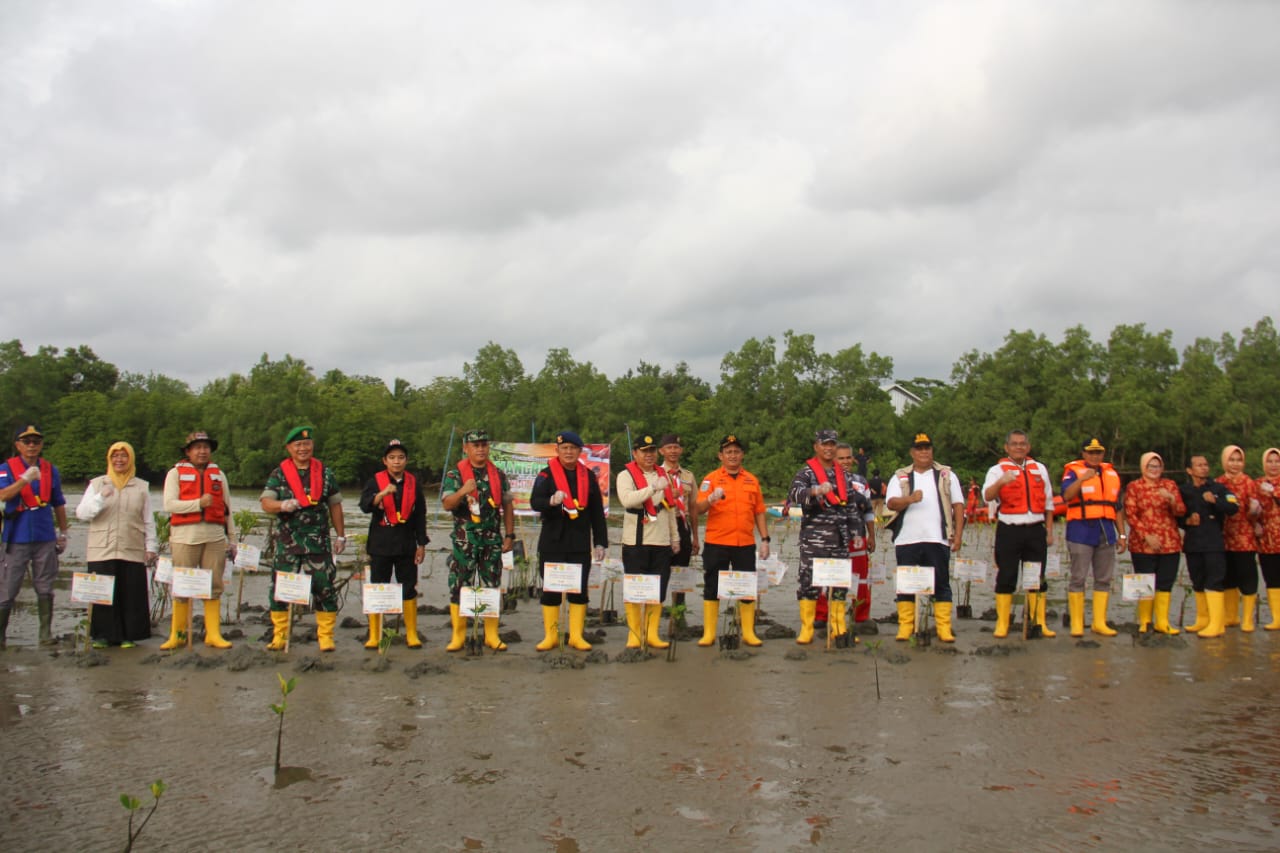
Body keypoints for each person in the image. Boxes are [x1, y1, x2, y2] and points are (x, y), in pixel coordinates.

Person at [260, 426, 346, 652]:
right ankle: (279, 635)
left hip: (319, 543)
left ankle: (326, 636)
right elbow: (266, 502)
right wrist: (281, 505)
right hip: (287, 542)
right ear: (289, 448)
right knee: (280, 587)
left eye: (307, 444)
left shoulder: (325, 473)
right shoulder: (279, 474)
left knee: (324, 587)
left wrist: (341, 536)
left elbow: (336, 505)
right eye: (297, 445)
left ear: (312, 446)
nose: (303, 448)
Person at [788, 430, 873, 645]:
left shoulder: (842, 475)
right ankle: (807, 628)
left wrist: (856, 534)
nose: (828, 448)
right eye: (824, 444)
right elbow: (794, 495)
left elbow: (852, 506)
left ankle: (838, 626)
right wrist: (815, 491)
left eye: (832, 444)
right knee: (808, 582)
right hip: (814, 538)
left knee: (839, 582)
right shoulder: (806, 473)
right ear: (816, 446)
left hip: (840, 538)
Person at [528, 431, 607, 651]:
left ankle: (575, 636)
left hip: (580, 542)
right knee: (551, 589)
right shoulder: (546, 475)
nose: (569, 452)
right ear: (558, 450)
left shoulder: (589, 476)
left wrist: (600, 542)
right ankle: (550, 636)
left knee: (579, 590)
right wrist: (550, 501)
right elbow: (535, 502)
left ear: (580, 451)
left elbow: (597, 513)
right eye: (564, 448)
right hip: (553, 540)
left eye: (573, 448)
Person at [883, 433, 965, 642]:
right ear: (912, 452)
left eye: (927, 448)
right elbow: (891, 503)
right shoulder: (900, 476)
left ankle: (943, 627)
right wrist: (910, 499)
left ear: (932, 450)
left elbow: (958, 506)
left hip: (938, 538)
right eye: (919, 448)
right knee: (906, 584)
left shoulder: (946, 475)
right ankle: (905, 626)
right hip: (906, 539)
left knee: (941, 583)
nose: (924, 452)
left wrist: (958, 536)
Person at [74, 441, 157, 648]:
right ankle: (102, 636)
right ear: (109, 459)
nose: (119, 460)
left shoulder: (141, 487)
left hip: (131, 547)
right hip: (102, 548)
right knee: (103, 593)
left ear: (131, 459)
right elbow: (82, 514)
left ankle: (129, 636)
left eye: (124, 456)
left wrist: (151, 547)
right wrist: (101, 497)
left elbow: (148, 519)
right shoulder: (97, 484)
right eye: (115, 456)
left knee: (130, 593)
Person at [441, 429, 515, 652]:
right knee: (459, 586)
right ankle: (458, 636)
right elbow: (447, 504)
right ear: (466, 448)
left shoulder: (499, 474)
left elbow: (508, 505)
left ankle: (491, 634)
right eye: (475, 445)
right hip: (465, 541)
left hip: (491, 540)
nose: (480, 449)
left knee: (491, 585)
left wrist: (510, 535)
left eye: (484, 444)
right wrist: (463, 490)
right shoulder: (455, 475)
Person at [694, 434, 770, 647]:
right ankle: (709, 633)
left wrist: (765, 539)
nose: (733, 455)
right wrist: (710, 499)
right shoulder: (711, 479)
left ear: (742, 454)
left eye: (736, 451)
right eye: (728, 452)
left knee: (746, 587)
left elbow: (760, 512)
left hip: (744, 543)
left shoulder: (751, 480)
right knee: (712, 585)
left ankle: (748, 632)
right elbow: (698, 509)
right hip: (717, 541)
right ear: (721, 456)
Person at [163, 431, 236, 650]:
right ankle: (178, 634)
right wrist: (198, 504)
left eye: (206, 447)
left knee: (214, 585)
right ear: (188, 452)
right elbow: (169, 505)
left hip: (214, 537)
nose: (202, 451)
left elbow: (227, 509)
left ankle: (213, 634)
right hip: (184, 537)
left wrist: (232, 539)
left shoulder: (219, 475)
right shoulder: (174, 474)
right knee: (182, 584)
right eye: (197, 447)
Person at [982, 430, 1055, 639]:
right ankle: (1003, 623)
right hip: (1009, 529)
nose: (1019, 447)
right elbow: (987, 495)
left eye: (1023, 444)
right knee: (1006, 575)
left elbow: (1049, 504)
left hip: (1035, 529)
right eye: (1014, 444)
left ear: (1028, 447)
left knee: (1037, 578)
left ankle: (1038, 622)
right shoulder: (996, 470)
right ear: (1007, 448)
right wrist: (1001, 482)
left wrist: (1049, 531)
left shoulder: (1040, 468)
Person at [0, 425, 69, 647]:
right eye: (27, 441)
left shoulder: (51, 470)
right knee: (8, 587)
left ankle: (45, 635)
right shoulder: (5, 468)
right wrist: (24, 480)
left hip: (44, 535)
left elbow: (58, 503)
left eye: (36, 441)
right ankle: (0, 637)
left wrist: (64, 532)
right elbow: (3, 494)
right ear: (18, 445)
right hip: (16, 535)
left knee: (45, 585)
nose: (32, 446)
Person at [358, 438, 428, 649]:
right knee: (378, 586)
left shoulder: (413, 482)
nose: (396, 462)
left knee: (408, 587)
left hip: (406, 542)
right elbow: (364, 506)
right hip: (381, 542)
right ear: (385, 461)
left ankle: (412, 633)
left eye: (400, 458)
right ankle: (374, 634)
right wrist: (382, 494)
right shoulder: (375, 481)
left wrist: (421, 543)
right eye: (392, 458)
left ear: (406, 460)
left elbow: (420, 514)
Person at [616, 433, 680, 650]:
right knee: (635, 589)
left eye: (652, 451)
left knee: (657, 589)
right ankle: (635, 633)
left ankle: (652, 633)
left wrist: (675, 537)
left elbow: (670, 508)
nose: (649, 455)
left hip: (661, 542)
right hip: (636, 541)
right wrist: (653, 488)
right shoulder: (626, 475)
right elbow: (627, 500)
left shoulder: (664, 475)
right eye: (644, 451)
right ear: (635, 453)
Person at [1060, 438, 1127, 637]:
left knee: (1104, 579)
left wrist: (1122, 534)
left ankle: (1099, 622)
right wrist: (1082, 479)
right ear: (1084, 454)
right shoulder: (1073, 472)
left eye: (1098, 452)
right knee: (1078, 578)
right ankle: (1077, 624)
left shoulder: (1111, 474)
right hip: (1081, 530)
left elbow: (1117, 507)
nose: (1095, 456)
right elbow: (1066, 496)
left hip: (1106, 530)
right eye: (1091, 452)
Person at [1122, 452, 1186, 634]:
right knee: (1144, 581)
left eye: (1157, 466)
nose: (1154, 470)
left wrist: (1172, 499)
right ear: (1143, 467)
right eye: (1150, 466)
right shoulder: (1134, 487)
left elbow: (1181, 511)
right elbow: (1131, 515)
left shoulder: (1170, 485)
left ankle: (1162, 621)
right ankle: (1144, 621)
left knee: (1165, 582)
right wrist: (1146, 535)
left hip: (1169, 542)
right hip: (1143, 544)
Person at [1179, 454, 1238, 638]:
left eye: (1205, 465)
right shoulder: (1184, 491)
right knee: (1198, 580)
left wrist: (1215, 501)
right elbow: (1175, 514)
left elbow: (1234, 507)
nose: (1204, 468)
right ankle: (1202, 619)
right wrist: (1186, 520)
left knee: (1214, 581)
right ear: (1189, 470)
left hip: (1213, 541)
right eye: (1199, 465)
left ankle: (1217, 623)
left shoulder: (1218, 488)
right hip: (1193, 542)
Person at [1217, 445, 1263, 631]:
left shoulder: (1249, 482)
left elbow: (1255, 513)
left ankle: (1247, 619)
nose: (1235, 464)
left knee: (1247, 576)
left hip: (1244, 537)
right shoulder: (1218, 483)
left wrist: (1255, 511)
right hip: (1223, 538)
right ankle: (1231, 616)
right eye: (1231, 460)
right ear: (1224, 461)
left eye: (1238, 460)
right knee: (1228, 577)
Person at [658, 434, 699, 610]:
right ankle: (655, 614)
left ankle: (678, 615)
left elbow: (694, 507)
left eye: (676, 447)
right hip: (661, 526)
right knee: (660, 571)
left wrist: (695, 537)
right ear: (661, 451)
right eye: (669, 447)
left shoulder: (688, 476)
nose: (673, 451)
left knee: (681, 572)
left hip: (682, 524)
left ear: (681, 450)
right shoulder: (655, 474)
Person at [836, 443, 875, 623]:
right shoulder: (824, 481)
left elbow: (868, 510)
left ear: (853, 459)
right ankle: (826, 616)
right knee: (830, 576)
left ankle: (860, 615)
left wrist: (872, 536)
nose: (845, 461)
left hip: (858, 537)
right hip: (833, 539)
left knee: (860, 577)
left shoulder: (861, 481)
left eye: (848, 458)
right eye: (840, 458)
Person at [1254, 447, 1280, 630]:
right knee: (1272, 578)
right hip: (1267, 539)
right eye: (1269, 461)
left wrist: (1274, 494)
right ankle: (1277, 618)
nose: (1273, 465)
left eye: (1277, 461)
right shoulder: (1256, 485)